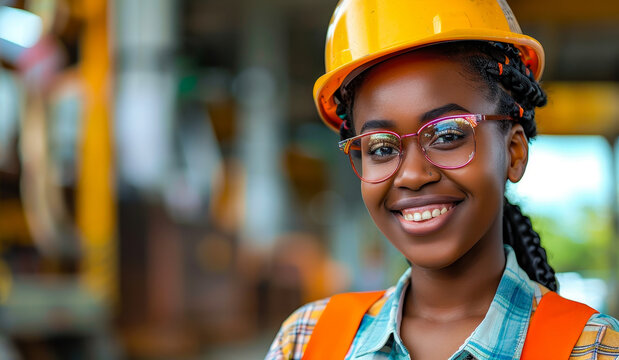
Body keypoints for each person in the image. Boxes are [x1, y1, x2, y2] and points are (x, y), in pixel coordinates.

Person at [265, 0, 619, 359]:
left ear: (514, 152)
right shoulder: (306, 341)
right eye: (382, 148)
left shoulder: (593, 348)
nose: (413, 175)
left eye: (448, 135)